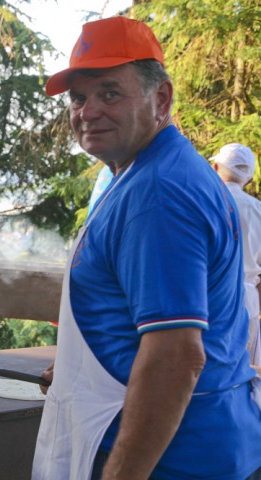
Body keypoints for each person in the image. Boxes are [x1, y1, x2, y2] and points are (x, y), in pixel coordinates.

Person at [32, 16, 261, 480]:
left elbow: (176, 356)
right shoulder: (149, 169)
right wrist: (85, 363)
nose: (87, 111)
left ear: (161, 99)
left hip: (175, 461)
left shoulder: (158, 193)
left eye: (110, 93)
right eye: (78, 97)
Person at [213, 143, 261, 368]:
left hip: (209, 300)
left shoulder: (203, 204)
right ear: (249, 180)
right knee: (245, 372)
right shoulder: (258, 210)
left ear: (214, 168)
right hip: (248, 301)